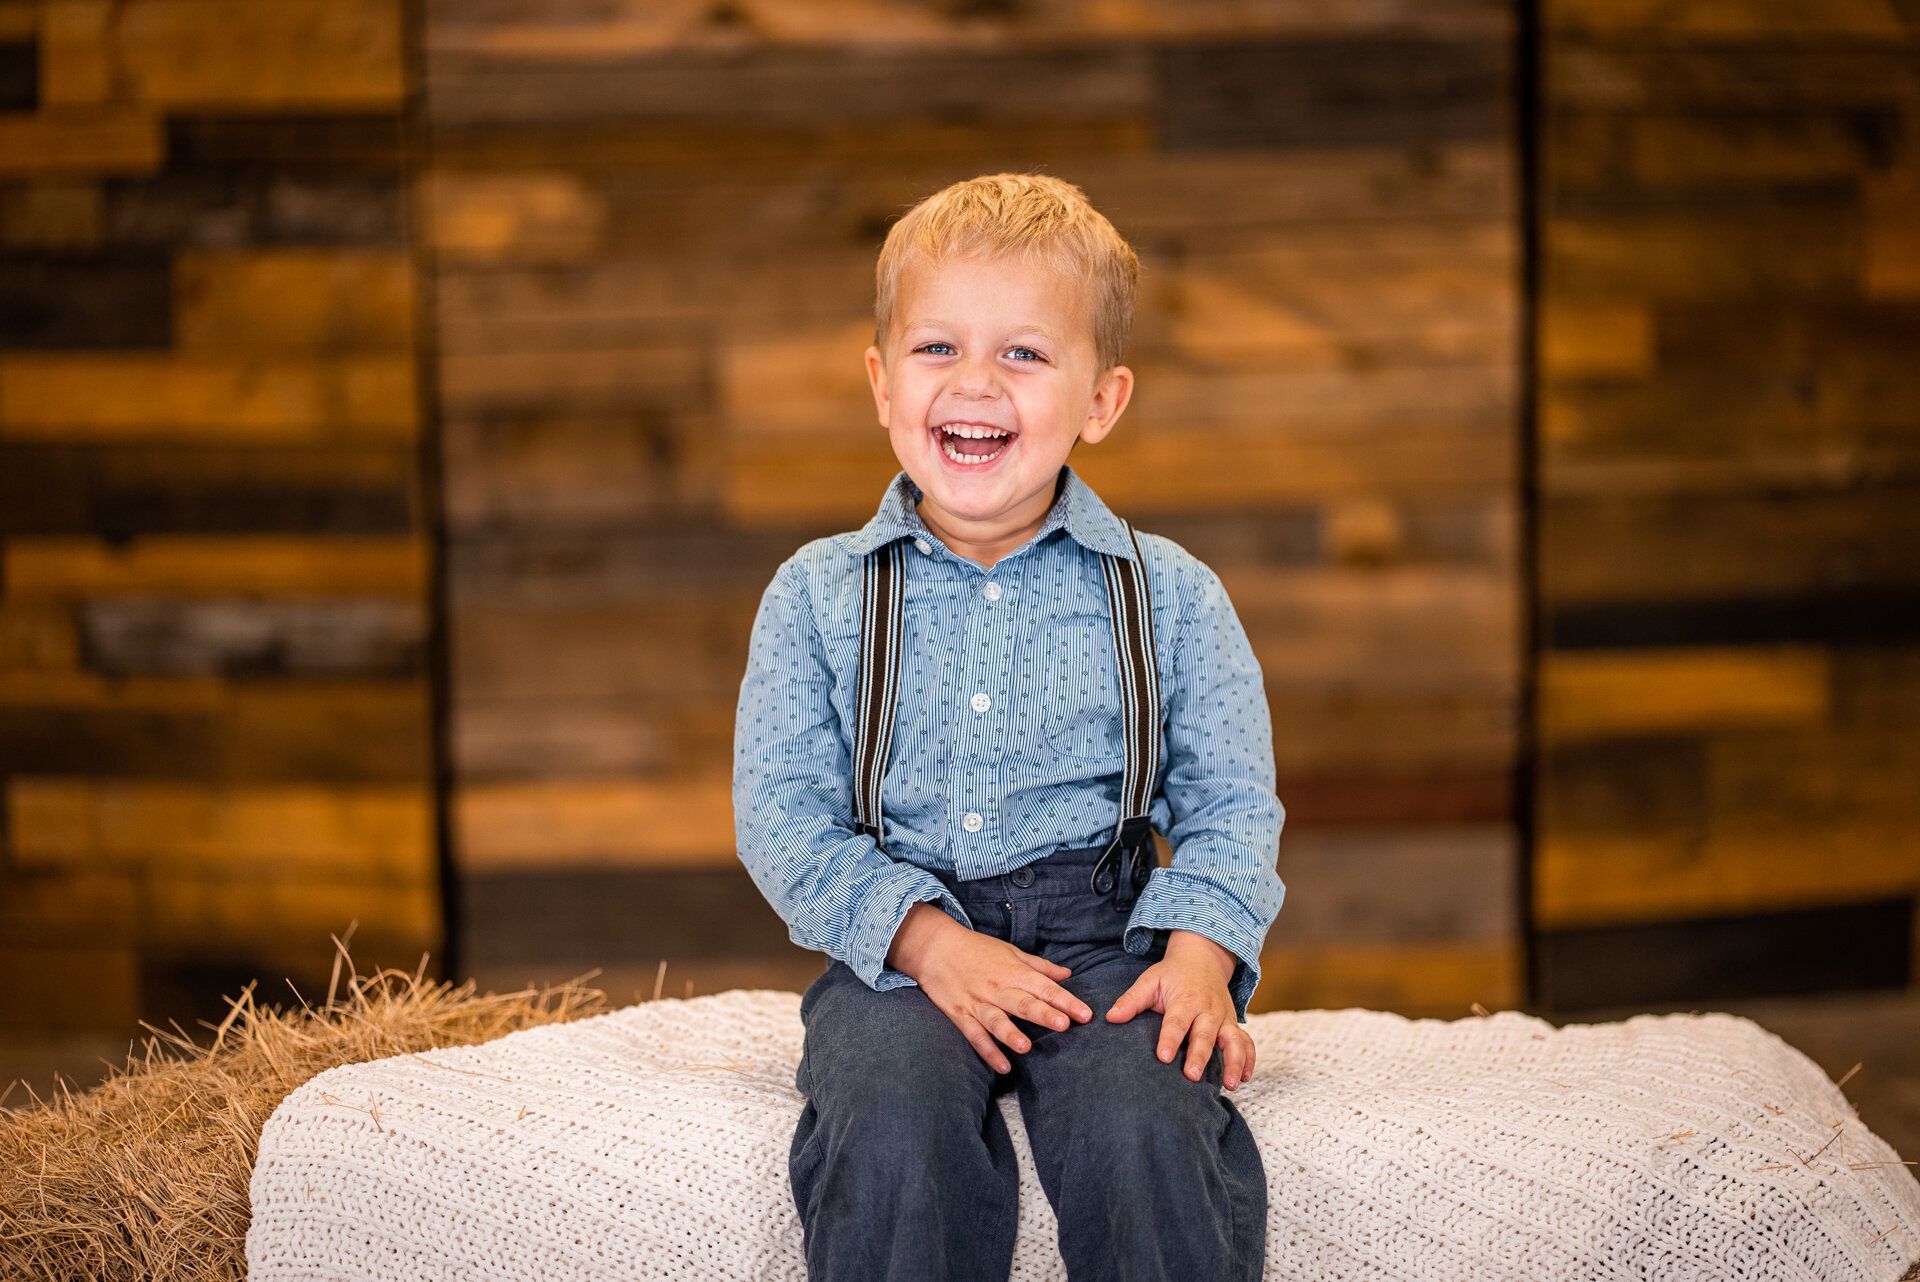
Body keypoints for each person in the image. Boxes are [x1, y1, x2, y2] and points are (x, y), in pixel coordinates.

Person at [732, 171, 1286, 1281]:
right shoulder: (817, 593)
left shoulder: (1170, 597)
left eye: (1024, 354)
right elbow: (781, 817)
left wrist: (1197, 955)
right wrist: (928, 942)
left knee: (1148, 1124)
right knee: (888, 1123)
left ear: (1101, 400)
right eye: (938, 349)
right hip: (901, 945)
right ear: (883, 384)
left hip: (1105, 939)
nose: (974, 383)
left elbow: (1232, 803)